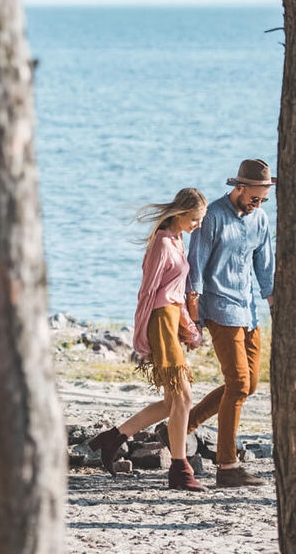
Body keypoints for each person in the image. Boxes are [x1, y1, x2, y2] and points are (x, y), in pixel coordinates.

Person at [89, 187, 207, 492]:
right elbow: (147, 294)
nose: (198, 225)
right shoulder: (161, 244)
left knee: (173, 401)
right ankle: (180, 470)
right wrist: (140, 337)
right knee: (183, 398)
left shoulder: (178, 240)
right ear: (180, 214)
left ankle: (114, 438)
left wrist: (190, 329)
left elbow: (177, 295)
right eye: (195, 219)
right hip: (159, 323)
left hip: (171, 321)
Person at [184, 158, 276, 488]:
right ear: (239, 188)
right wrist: (192, 314)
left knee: (248, 385)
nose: (258, 204)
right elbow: (195, 264)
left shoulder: (261, 220)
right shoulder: (213, 218)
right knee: (237, 384)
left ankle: (182, 427)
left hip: (248, 310)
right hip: (220, 309)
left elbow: (264, 266)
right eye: (255, 197)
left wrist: (271, 300)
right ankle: (227, 466)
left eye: (264, 199)